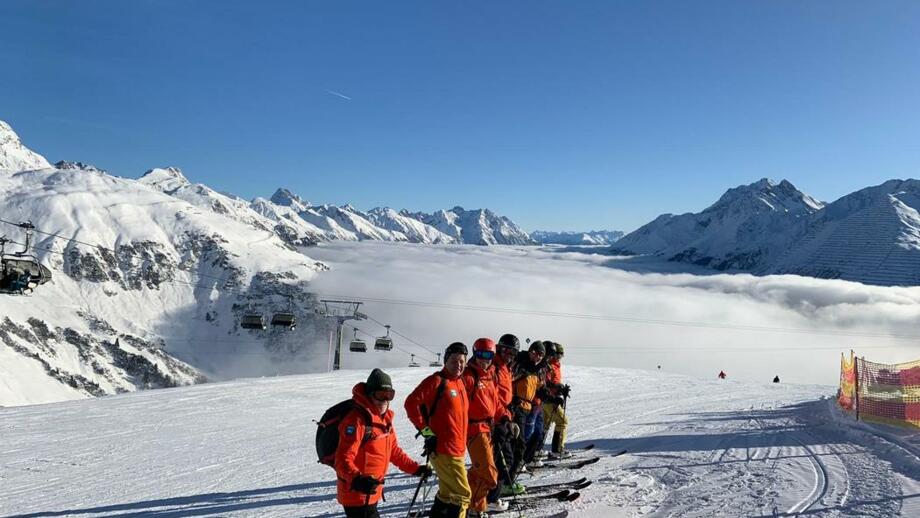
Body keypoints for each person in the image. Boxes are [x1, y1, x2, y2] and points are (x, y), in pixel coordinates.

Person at [335, 369, 430, 518]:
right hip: (357, 494)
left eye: (389, 395)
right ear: (370, 394)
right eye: (380, 394)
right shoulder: (356, 420)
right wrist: (357, 480)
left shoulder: (384, 420)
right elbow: (342, 458)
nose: (384, 400)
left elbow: (394, 451)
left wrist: (416, 469)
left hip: (371, 492)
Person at [406, 342, 472, 518]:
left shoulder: (459, 383)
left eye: (462, 361)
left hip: (456, 448)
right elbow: (411, 404)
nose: (458, 365)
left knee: (447, 493)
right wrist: (428, 434)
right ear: (445, 361)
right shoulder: (437, 381)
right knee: (462, 495)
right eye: (454, 361)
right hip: (444, 449)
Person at [462, 338, 507, 517]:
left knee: (478, 471)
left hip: (489, 428)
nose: (484, 359)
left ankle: (469, 503)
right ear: (474, 353)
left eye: (488, 355)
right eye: (480, 354)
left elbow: (496, 403)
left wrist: (505, 418)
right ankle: (476, 507)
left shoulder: (491, 375)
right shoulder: (468, 376)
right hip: (474, 429)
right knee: (488, 473)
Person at [489, 333, 523, 506]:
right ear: (499, 348)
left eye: (513, 353)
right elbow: (492, 397)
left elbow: (504, 393)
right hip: (496, 422)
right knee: (501, 461)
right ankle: (488, 498)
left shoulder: (505, 367)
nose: (510, 355)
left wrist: (511, 404)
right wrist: (503, 416)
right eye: (506, 351)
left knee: (505, 460)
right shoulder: (493, 367)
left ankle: (489, 496)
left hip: (505, 418)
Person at [511, 340, 547, 471]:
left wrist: (547, 394)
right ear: (530, 351)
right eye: (535, 353)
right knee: (519, 440)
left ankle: (519, 463)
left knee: (530, 436)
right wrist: (512, 398)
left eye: (540, 355)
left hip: (528, 406)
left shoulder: (538, 369)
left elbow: (539, 387)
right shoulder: (520, 364)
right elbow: (508, 381)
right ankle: (513, 468)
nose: (537, 356)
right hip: (517, 407)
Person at [542, 342, 570, 460]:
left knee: (545, 424)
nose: (559, 357)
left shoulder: (556, 365)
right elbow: (547, 382)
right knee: (562, 421)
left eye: (561, 355)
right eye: (558, 354)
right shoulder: (549, 365)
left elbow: (555, 382)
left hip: (549, 398)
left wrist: (561, 389)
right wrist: (558, 388)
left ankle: (537, 450)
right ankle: (557, 450)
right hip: (549, 399)